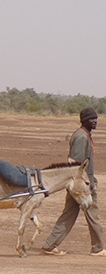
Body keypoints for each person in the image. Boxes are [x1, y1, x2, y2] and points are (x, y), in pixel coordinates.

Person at [42, 107, 106, 256]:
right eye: (92, 119)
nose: (95, 121)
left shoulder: (84, 135)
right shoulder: (81, 137)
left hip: (82, 182)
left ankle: (50, 245)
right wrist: (86, 182)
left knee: (69, 215)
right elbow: (75, 165)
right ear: (84, 121)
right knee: (92, 214)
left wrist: (91, 176)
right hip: (81, 186)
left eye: (96, 118)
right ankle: (98, 248)